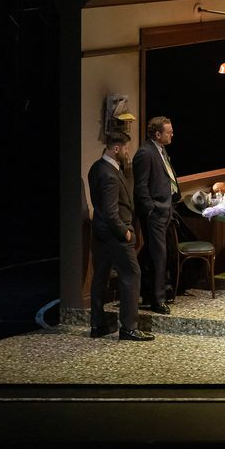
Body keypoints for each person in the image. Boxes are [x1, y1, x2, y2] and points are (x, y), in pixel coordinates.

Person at [88, 132, 155, 341]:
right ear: (116, 149)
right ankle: (129, 328)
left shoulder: (96, 167)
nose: (128, 153)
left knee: (101, 276)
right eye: (126, 148)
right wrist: (124, 232)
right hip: (114, 234)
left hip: (100, 232)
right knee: (132, 275)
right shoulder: (108, 174)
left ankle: (98, 324)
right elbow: (110, 211)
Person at [132, 116, 175, 315]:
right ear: (158, 134)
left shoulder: (161, 150)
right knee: (159, 255)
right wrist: (151, 209)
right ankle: (158, 299)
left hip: (166, 209)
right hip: (155, 211)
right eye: (168, 132)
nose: (172, 134)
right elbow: (140, 186)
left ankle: (148, 292)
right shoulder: (145, 153)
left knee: (153, 253)